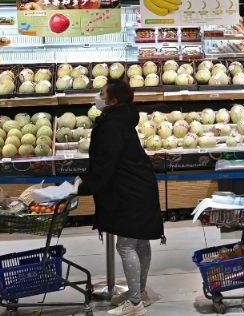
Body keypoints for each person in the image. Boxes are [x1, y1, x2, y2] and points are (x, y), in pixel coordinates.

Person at [78, 80, 163, 316]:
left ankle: (135, 304)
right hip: (139, 184)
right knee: (140, 240)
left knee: (126, 245)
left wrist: (85, 187)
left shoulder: (111, 125)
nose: (98, 96)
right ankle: (140, 292)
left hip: (129, 189)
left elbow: (106, 163)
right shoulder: (123, 118)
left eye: (102, 93)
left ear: (113, 101)